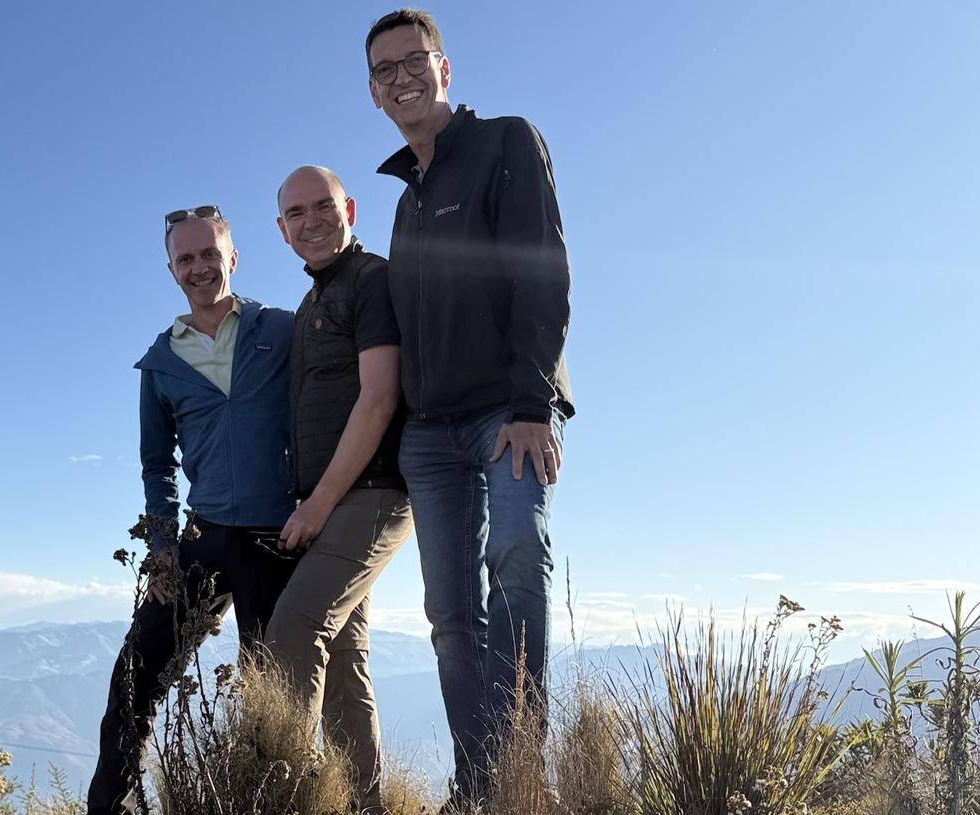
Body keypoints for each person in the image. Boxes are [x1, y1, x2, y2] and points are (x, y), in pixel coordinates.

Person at [364, 8, 576, 806]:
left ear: (444, 69)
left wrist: (533, 404)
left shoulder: (506, 142)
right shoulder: (406, 199)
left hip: (508, 413)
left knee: (516, 562)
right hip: (430, 436)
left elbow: (542, 269)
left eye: (414, 60)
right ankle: (477, 784)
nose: (402, 77)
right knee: (450, 616)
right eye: (384, 70)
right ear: (373, 92)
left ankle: (520, 779)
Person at [85, 207, 297, 815]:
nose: (199, 268)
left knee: (268, 691)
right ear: (172, 270)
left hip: (278, 537)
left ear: (233, 258)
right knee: (134, 678)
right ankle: (112, 807)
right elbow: (157, 466)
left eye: (210, 254)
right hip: (203, 538)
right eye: (186, 259)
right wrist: (162, 550)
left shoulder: (282, 330)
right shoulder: (160, 362)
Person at [264, 166, 413, 814]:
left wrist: (318, 503)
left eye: (322, 206)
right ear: (282, 230)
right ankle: (363, 804)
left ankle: (292, 800)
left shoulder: (372, 280)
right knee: (345, 661)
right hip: (335, 500)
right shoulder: (310, 305)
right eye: (296, 214)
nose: (312, 221)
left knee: (295, 630)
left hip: (373, 493)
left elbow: (379, 399)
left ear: (348, 208)